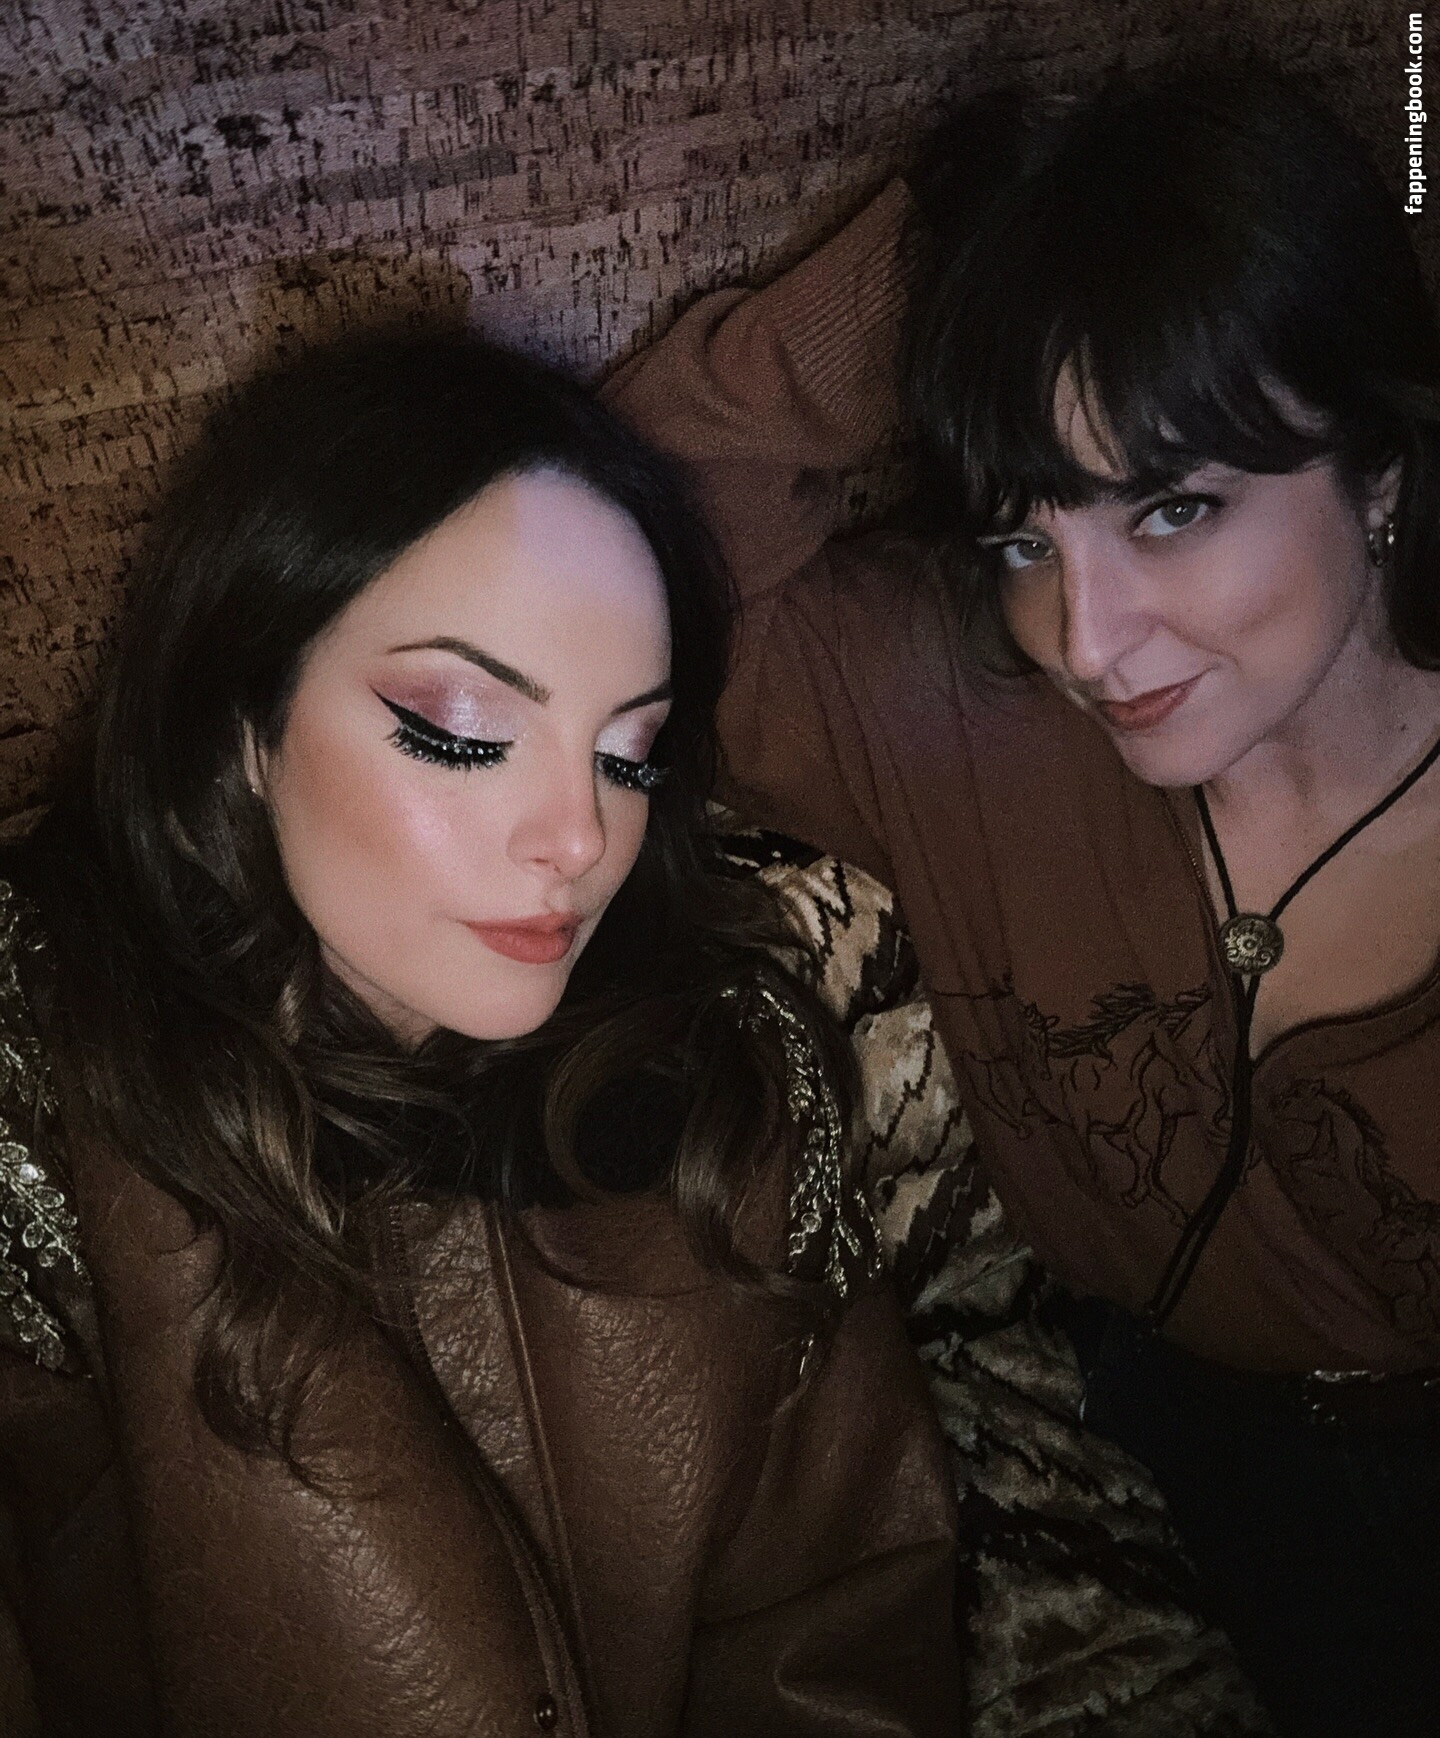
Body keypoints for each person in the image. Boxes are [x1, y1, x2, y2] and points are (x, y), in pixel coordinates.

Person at [604, 65, 1440, 1738]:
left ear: (1380, 469)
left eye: (1175, 508)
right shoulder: (966, 709)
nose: (1088, 638)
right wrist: (970, 259)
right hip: (1167, 1446)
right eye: (1023, 535)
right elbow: (616, 536)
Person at [0, 330, 964, 1735]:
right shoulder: (37, 1100)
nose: (580, 836)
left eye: (628, 751)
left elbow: (846, 1635)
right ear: (246, 723)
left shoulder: (731, 1083)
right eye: (461, 729)